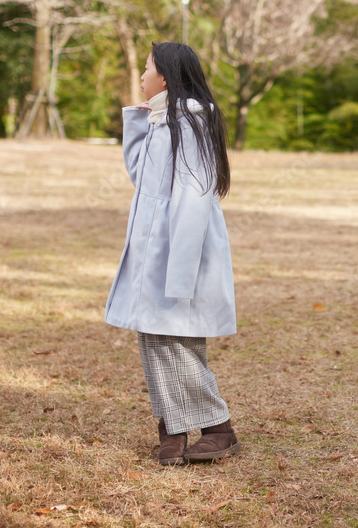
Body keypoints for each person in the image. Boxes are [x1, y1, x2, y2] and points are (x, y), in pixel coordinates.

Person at [104, 41, 241, 465]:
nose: (142, 77)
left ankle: (217, 427)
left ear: (164, 76)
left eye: (147, 69)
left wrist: (179, 270)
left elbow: (193, 200)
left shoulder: (191, 125)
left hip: (180, 249)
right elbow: (139, 176)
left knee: (173, 339)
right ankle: (173, 427)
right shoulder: (165, 120)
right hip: (154, 247)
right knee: (154, 335)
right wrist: (139, 122)